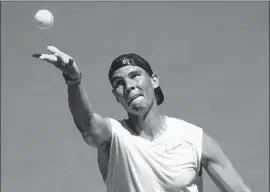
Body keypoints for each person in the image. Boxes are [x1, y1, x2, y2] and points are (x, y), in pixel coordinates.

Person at [32, 46, 252, 192]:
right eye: (119, 83)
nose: (128, 86)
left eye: (134, 75)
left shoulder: (195, 139)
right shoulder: (113, 137)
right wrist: (73, 80)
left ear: (154, 80)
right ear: (116, 97)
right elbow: (87, 124)